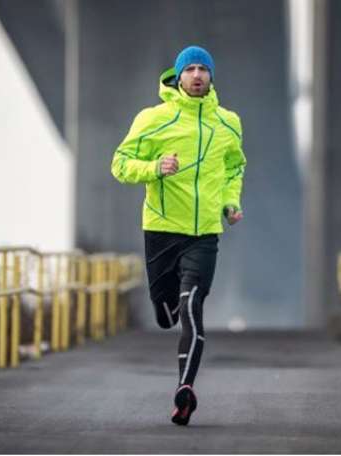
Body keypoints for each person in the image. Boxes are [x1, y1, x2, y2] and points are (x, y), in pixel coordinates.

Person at [110, 45, 246, 426]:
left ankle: (185, 390)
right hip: (161, 230)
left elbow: (236, 166)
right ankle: (164, 305)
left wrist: (230, 202)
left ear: (211, 77)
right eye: (191, 69)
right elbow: (119, 164)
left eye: (204, 69)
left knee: (192, 306)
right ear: (178, 76)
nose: (198, 75)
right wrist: (155, 166)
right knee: (168, 312)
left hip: (204, 234)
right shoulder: (154, 119)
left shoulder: (228, 123)